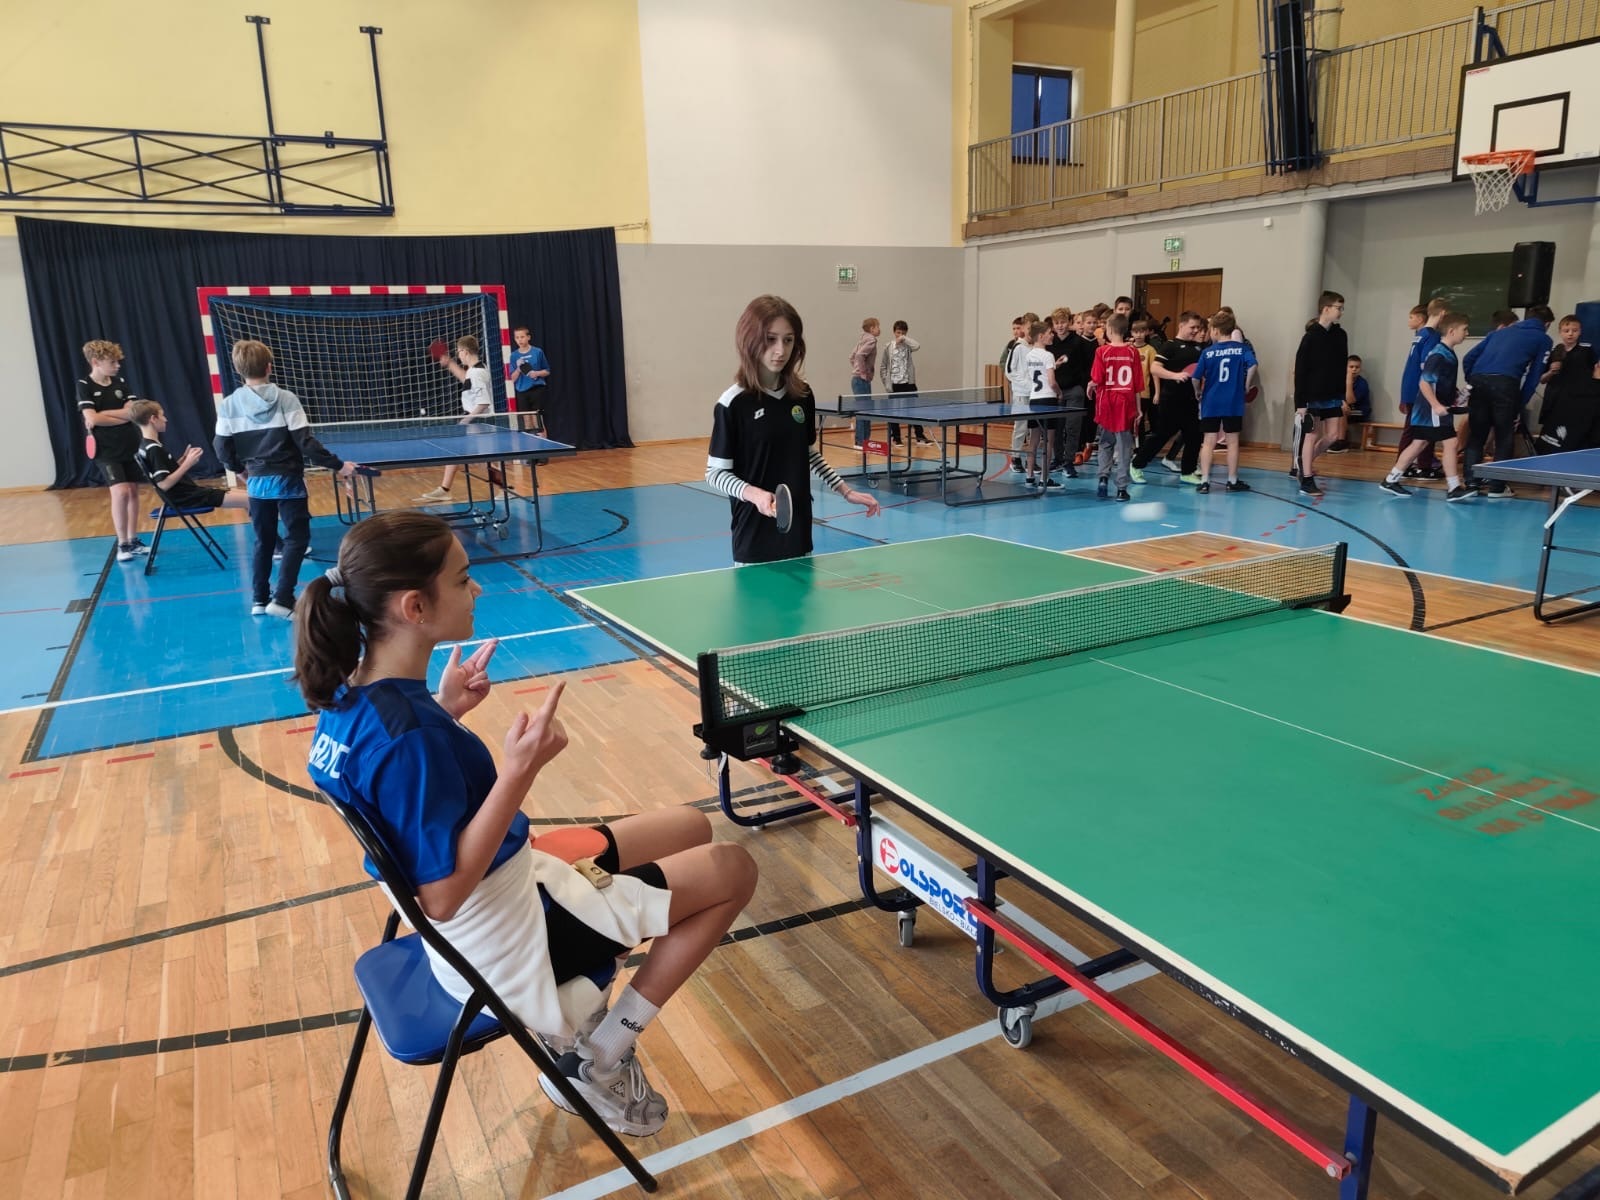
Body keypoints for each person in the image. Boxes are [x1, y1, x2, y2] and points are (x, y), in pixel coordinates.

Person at [297, 510, 759, 1138]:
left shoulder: (353, 699)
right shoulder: (410, 739)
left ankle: (588, 1028)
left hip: (504, 889)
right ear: (414, 607)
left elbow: (401, 793)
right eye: (461, 579)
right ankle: (600, 1057)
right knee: (733, 869)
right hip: (507, 946)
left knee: (688, 827)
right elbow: (441, 897)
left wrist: (445, 708)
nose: (476, 588)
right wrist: (519, 771)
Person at [705, 295, 881, 564]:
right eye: (770, 339)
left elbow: (807, 452)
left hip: (798, 528)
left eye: (788, 340)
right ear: (750, 339)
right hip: (753, 532)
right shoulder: (733, 403)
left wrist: (846, 491)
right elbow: (715, 473)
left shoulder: (802, 395)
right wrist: (755, 495)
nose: (780, 350)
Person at [214, 339, 356, 618]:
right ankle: (282, 598)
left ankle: (259, 599)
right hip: (288, 480)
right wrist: (339, 466)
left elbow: (221, 448)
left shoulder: (228, 405)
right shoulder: (286, 398)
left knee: (264, 541)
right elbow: (306, 444)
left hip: (257, 482)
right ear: (269, 367)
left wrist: (239, 470)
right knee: (297, 539)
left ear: (239, 370)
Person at [1462, 304, 1554, 497]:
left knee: (1476, 436)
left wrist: (1473, 381)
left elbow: (1469, 358)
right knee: (1504, 436)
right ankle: (1497, 487)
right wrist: (1519, 404)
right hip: (1506, 384)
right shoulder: (1543, 339)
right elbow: (1534, 375)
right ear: (1547, 324)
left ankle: (1471, 484)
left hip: (1479, 381)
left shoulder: (1499, 333)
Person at [1379, 313, 1471, 502]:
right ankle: (1454, 487)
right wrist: (1436, 405)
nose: (1467, 333)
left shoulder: (1448, 353)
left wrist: (1456, 396)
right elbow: (1424, 382)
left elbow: (1442, 382)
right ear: (1452, 331)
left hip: (1432, 408)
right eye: (1464, 329)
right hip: (1431, 409)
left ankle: (1391, 479)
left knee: (1419, 443)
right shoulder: (1439, 354)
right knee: (1451, 443)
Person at [77, 339, 146, 563]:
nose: (117, 366)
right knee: (121, 492)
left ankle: (133, 540)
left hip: (129, 444)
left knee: (133, 492)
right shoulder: (84, 385)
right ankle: (122, 544)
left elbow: (132, 412)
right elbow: (92, 418)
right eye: (112, 362)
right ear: (96, 362)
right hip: (105, 449)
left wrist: (104, 416)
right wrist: (118, 416)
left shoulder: (120, 382)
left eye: (117, 361)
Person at [130, 400, 248, 512]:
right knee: (252, 500)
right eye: (162, 416)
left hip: (187, 494)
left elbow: (165, 473)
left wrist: (182, 461)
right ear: (153, 419)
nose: (165, 419)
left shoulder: (146, 445)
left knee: (250, 496)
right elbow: (163, 485)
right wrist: (187, 464)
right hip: (186, 497)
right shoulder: (153, 449)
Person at [1130, 311, 1205, 485]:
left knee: (1194, 436)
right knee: (1161, 435)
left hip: (1191, 400)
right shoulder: (1170, 346)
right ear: (1181, 325)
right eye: (1192, 327)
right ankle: (1136, 464)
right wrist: (1174, 375)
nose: (1196, 331)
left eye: (1198, 328)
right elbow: (1155, 368)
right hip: (1171, 400)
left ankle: (1187, 472)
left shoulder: (1198, 348)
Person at [421, 335, 495, 503]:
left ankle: (506, 489)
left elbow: (483, 403)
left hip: (478, 422)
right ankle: (444, 489)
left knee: (483, 462)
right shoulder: (477, 369)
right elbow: (465, 379)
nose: (458, 354)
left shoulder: (476, 373)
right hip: (475, 420)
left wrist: (465, 421)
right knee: (454, 452)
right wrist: (450, 363)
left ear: (465, 351)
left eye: (459, 351)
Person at [1191, 310, 1258, 494]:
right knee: (1232, 442)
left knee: (1208, 441)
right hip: (1233, 401)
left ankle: (1205, 481)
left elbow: (1195, 378)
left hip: (1211, 401)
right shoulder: (1241, 349)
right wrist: (1246, 385)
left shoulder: (1207, 352)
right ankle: (1232, 480)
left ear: (1216, 330)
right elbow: (1253, 365)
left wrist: (1197, 392)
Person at [1290, 290, 1349, 497]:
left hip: (1332, 394)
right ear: (1326, 309)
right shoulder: (1310, 337)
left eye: (1342, 308)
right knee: (1312, 434)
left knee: (1333, 436)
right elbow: (1301, 370)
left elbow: (1342, 366)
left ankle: (1303, 463)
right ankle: (1307, 478)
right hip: (1312, 395)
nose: (1341, 312)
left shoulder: (1341, 335)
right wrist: (1301, 402)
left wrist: (1342, 396)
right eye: (1338, 308)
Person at [1088, 314, 1143, 501]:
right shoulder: (1133, 352)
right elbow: (1137, 384)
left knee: (1105, 442)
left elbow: (1097, 378)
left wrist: (1090, 385)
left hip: (1106, 401)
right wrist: (1139, 408)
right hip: (1125, 402)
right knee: (1125, 446)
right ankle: (1121, 488)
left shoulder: (1101, 351)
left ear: (1109, 330)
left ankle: (1103, 477)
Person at [1397, 300, 1449, 478]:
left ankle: (1410, 465)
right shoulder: (1432, 336)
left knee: (1414, 429)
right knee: (1424, 429)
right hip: (1422, 390)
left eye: (1410, 317)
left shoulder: (1420, 335)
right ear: (1442, 313)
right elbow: (1426, 365)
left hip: (1411, 387)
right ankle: (1421, 466)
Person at [1537, 315, 1597, 451]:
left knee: (1573, 435)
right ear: (1560, 332)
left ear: (1580, 332)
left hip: (1577, 401)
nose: (1570, 334)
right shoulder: (1553, 352)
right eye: (1566, 330)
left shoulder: (1586, 350)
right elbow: (1542, 379)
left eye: (1574, 330)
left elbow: (1596, 372)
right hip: (1555, 399)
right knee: (1551, 434)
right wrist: (1551, 371)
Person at [1021, 319, 1061, 489]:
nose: (1052, 335)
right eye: (1050, 333)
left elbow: (1036, 374)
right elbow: (1051, 382)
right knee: (1049, 441)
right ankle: (1045, 478)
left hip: (1034, 399)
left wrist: (1055, 366)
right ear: (1041, 336)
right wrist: (1059, 392)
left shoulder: (1029, 355)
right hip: (1048, 399)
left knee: (1034, 440)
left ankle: (1029, 477)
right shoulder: (1048, 355)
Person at [878, 320, 929, 445]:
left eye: (903, 333)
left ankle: (920, 436)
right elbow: (883, 366)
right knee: (894, 412)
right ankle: (896, 438)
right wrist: (886, 383)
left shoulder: (908, 346)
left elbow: (917, 346)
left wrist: (904, 338)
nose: (900, 335)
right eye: (898, 332)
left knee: (914, 411)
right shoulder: (888, 347)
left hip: (909, 383)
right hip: (894, 384)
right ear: (894, 332)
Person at [507, 325, 551, 434]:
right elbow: (512, 378)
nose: (520, 340)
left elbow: (547, 371)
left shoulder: (537, 352)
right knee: (527, 422)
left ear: (528, 337)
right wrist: (518, 369)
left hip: (537, 389)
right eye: (517, 337)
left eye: (522, 337)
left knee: (538, 421)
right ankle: (531, 443)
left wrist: (537, 373)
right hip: (522, 392)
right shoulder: (513, 356)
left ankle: (543, 442)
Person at [1326, 354, 1371, 452]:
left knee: (1341, 409)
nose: (1354, 369)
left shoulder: (1362, 383)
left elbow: (1350, 400)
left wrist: (1349, 382)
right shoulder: (1339, 380)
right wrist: (1341, 401)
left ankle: (1341, 442)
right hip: (1344, 407)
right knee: (1331, 408)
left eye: (1357, 367)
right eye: (1351, 367)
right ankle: (1330, 440)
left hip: (1359, 411)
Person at [849, 317, 880, 448]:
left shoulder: (862, 339)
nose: (879, 329)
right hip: (861, 381)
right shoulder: (871, 340)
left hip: (856, 380)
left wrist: (856, 369)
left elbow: (851, 357)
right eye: (878, 326)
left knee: (865, 410)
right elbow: (859, 356)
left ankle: (863, 441)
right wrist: (863, 373)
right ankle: (861, 441)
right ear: (872, 328)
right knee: (864, 411)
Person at [1131, 319, 1158, 439]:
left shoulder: (1150, 350)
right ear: (1131, 333)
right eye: (1136, 332)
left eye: (1142, 332)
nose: (1139, 335)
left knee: (1140, 420)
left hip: (1143, 391)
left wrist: (1157, 393)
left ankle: (1140, 446)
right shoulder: (1128, 348)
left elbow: (1155, 373)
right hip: (1128, 391)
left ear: (1147, 332)